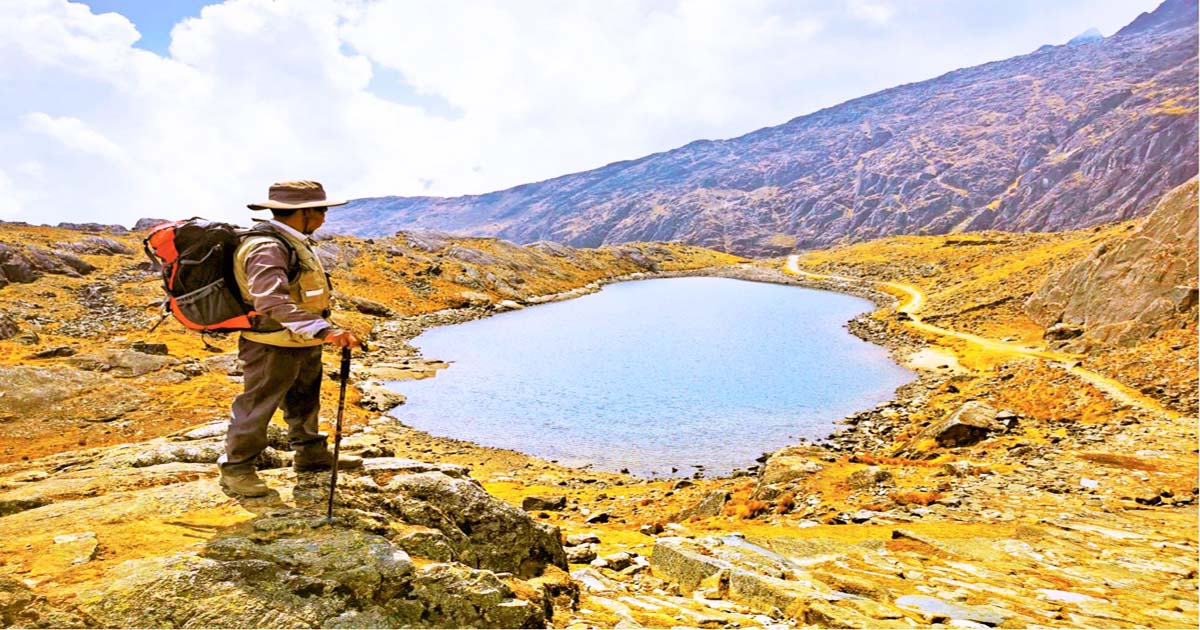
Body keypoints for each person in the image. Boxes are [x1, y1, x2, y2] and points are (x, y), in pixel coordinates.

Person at [217, 180, 363, 497]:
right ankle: (237, 469)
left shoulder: (292, 241)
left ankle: (311, 457)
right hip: (271, 344)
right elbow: (271, 302)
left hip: (302, 340)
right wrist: (326, 331)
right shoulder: (266, 247)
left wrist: (318, 332)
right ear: (303, 212)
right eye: (321, 209)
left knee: (305, 400)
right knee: (257, 405)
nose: (325, 216)